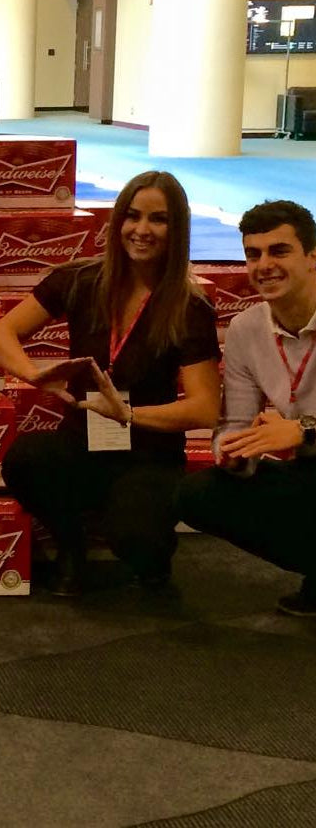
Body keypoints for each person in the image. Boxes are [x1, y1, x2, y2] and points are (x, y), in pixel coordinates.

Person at [0, 170, 221, 594]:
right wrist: (35, 375)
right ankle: (71, 545)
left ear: (177, 229)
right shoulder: (79, 279)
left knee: (137, 540)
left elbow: (204, 408)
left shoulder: (190, 306)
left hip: (148, 454)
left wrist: (127, 414)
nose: (142, 230)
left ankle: (149, 547)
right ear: (118, 222)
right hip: (81, 441)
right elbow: (0, 334)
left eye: (158, 219)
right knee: (24, 459)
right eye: (132, 216)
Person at [176, 199, 316, 616]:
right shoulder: (245, 328)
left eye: (279, 251)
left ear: (312, 258)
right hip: (307, 468)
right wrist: (234, 454)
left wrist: (304, 429)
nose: (264, 265)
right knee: (199, 495)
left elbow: (299, 432)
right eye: (253, 254)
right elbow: (233, 424)